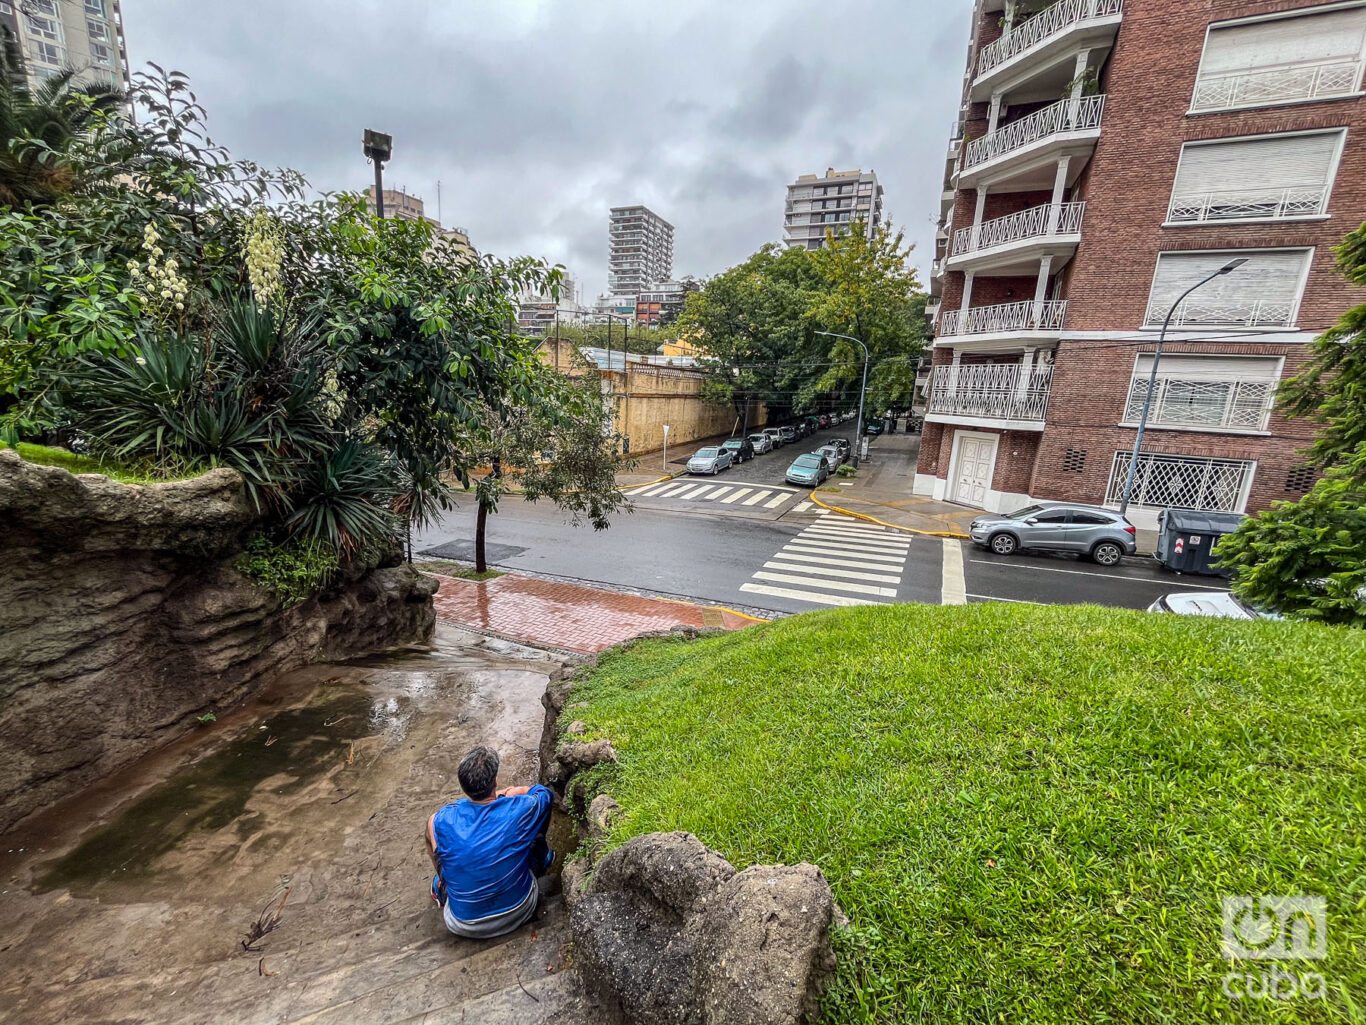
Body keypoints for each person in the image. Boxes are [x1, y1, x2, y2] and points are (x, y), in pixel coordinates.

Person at [425, 745, 554, 939]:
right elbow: (545, 795)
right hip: (520, 909)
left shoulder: (443, 818)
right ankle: (541, 859)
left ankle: (442, 885)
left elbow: (434, 826)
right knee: (532, 830)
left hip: (462, 924)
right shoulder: (520, 808)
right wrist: (517, 791)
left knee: (431, 832)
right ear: (495, 781)